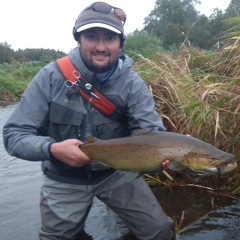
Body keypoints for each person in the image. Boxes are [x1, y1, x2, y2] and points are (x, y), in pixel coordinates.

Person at [3, 2, 174, 240]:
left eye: (110, 38)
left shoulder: (132, 84)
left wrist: (166, 153)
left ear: (120, 44)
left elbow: (151, 132)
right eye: (92, 36)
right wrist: (51, 149)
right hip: (63, 177)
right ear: (79, 40)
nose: (101, 47)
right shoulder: (50, 77)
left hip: (116, 174)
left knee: (160, 231)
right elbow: (14, 135)